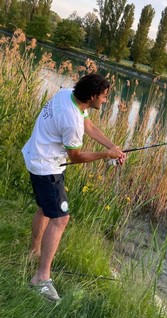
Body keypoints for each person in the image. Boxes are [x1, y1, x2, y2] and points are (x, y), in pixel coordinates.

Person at [22, 73, 126, 301]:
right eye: (104, 96)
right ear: (92, 96)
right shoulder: (71, 121)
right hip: (47, 167)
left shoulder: (67, 95)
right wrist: (104, 154)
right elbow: (76, 157)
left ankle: (34, 251)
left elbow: (87, 124)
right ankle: (41, 277)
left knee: (45, 208)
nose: (105, 100)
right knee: (60, 219)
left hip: (35, 155)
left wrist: (112, 146)